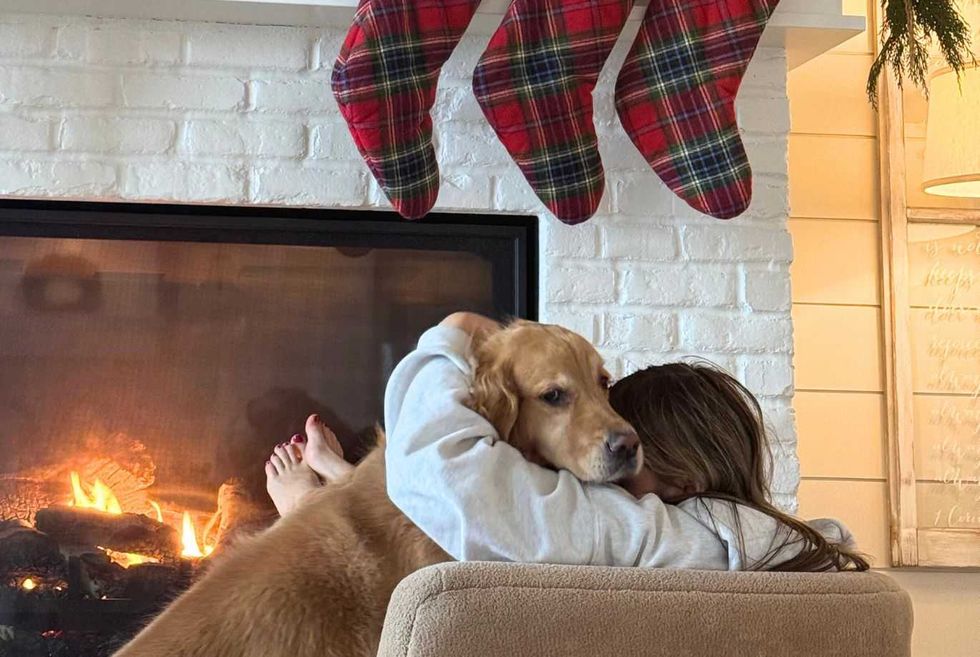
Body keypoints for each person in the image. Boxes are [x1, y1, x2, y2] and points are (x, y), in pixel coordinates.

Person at [266, 312, 868, 572]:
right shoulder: (749, 537)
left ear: (686, 479)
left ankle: (311, 509)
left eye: (631, 433)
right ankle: (343, 485)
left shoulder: (638, 533)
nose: (612, 432)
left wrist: (452, 335)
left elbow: (456, 481)